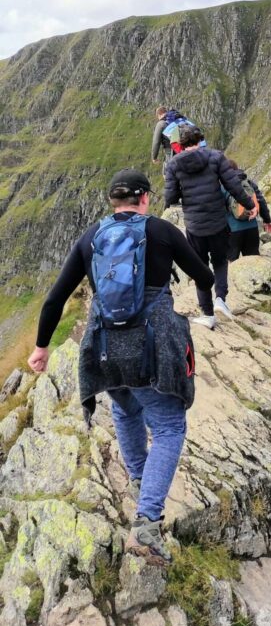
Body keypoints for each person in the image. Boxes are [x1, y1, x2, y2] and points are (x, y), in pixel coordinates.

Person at [28, 168, 214, 565]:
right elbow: (204, 275)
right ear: (145, 197)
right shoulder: (162, 231)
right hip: (153, 347)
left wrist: (41, 348)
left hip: (105, 348)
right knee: (168, 427)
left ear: (114, 201)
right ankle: (147, 526)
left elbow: (54, 298)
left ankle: (140, 484)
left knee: (126, 411)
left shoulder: (91, 238)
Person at [164, 126, 256, 326]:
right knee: (220, 262)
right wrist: (250, 206)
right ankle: (220, 299)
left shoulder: (173, 165)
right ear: (200, 139)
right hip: (218, 223)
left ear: (179, 144)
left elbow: (170, 198)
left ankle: (207, 314)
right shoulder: (216, 157)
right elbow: (234, 187)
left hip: (195, 226)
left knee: (200, 267)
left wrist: (184, 190)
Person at [225, 160, 271, 260]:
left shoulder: (223, 185)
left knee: (232, 264)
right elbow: (261, 201)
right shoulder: (249, 183)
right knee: (253, 260)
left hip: (233, 231)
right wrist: (267, 220)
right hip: (252, 226)